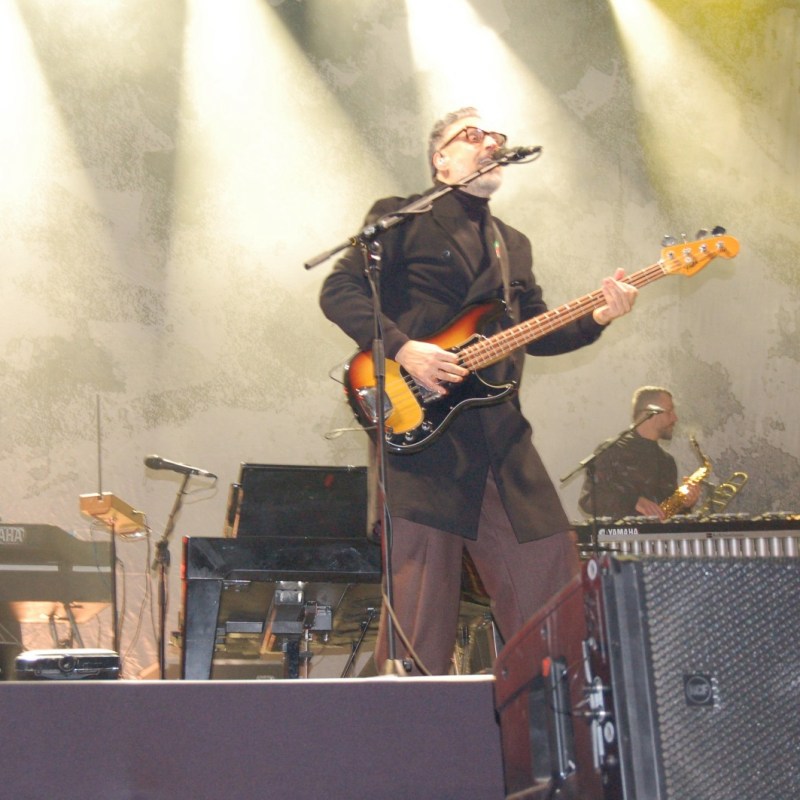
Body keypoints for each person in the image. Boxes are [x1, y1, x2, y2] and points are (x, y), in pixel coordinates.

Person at [319, 106, 638, 675]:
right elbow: (339, 290)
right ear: (440, 160)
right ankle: (407, 746)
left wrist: (598, 317)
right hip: (421, 426)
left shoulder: (511, 242)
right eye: (473, 136)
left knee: (548, 570)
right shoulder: (398, 218)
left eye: (497, 136)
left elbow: (536, 330)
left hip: (499, 428)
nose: (490, 142)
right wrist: (403, 347)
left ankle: (554, 719)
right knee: (420, 604)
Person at [578, 386, 701, 520]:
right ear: (650, 412)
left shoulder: (667, 461)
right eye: (670, 411)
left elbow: (667, 516)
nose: (675, 418)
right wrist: (633, 501)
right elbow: (589, 500)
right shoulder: (612, 450)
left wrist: (685, 504)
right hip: (621, 539)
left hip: (658, 539)